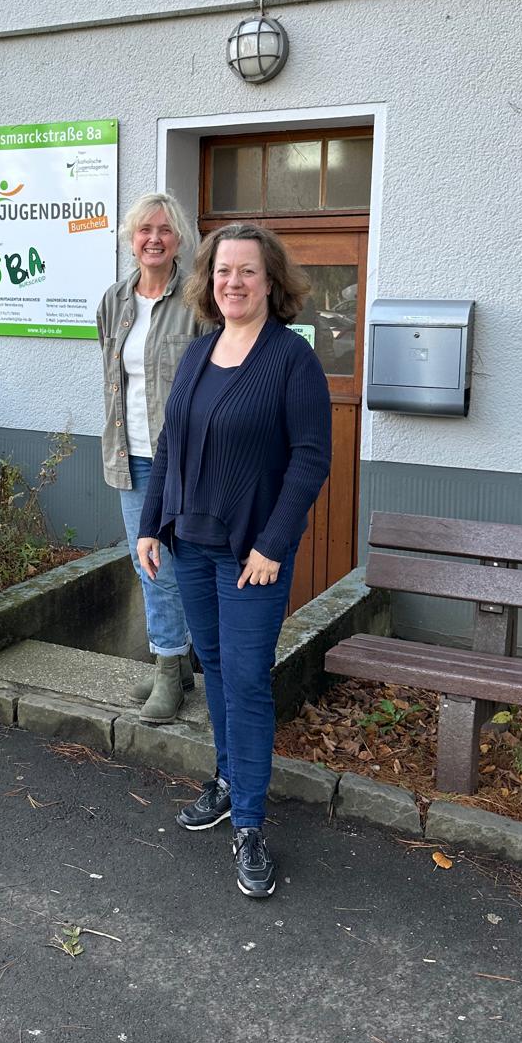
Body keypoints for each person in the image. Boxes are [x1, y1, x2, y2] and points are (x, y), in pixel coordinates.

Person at [137, 224, 331, 899]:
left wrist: (274, 544)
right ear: (208, 279)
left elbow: (310, 462)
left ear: (272, 282)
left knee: (246, 678)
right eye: (224, 271)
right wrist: (150, 524)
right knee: (212, 666)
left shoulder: (290, 359)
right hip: (190, 542)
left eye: (248, 272)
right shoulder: (196, 354)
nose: (234, 283)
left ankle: (249, 823)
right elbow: (168, 445)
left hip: (252, 554)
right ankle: (226, 780)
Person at [97, 193, 212, 723]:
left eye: (165, 230)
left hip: (187, 461)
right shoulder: (114, 301)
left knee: (176, 566)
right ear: (130, 237)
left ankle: (173, 665)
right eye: (145, 229)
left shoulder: (197, 301)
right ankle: (175, 664)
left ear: (179, 239)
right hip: (130, 458)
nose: (154, 239)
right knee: (151, 566)